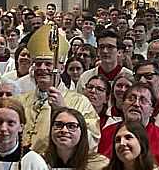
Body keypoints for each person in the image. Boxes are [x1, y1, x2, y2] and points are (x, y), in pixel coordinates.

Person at [17, 25, 99, 153]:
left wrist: (62, 111)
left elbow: (91, 142)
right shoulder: (20, 101)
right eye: (38, 64)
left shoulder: (81, 102)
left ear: (61, 68)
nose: (42, 68)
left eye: (48, 64)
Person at [97, 83, 159, 170]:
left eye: (143, 101)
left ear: (152, 110)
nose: (136, 104)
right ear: (123, 106)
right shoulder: (107, 133)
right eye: (131, 99)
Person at [42, 107, 108, 170]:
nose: (64, 130)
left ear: (82, 132)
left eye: (71, 126)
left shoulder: (99, 165)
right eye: (58, 125)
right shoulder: (40, 163)